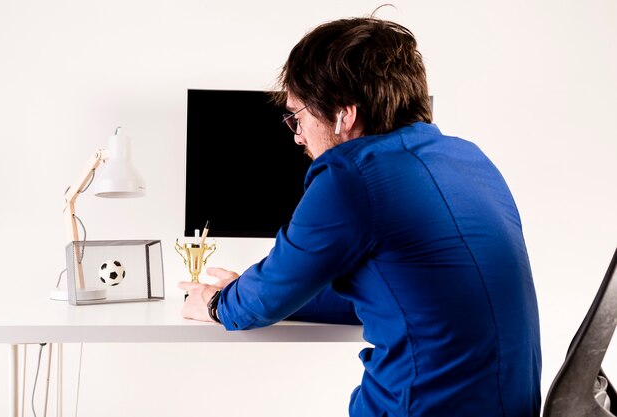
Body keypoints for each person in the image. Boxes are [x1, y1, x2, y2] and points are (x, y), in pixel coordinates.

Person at [178, 15, 542, 417]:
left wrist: (214, 303)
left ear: (343, 115)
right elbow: (387, 295)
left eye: (296, 117)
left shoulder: (350, 177)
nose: (297, 136)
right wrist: (257, 290)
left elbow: (261, 301)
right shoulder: (470, 159)